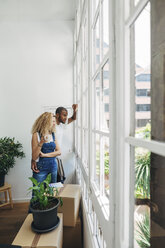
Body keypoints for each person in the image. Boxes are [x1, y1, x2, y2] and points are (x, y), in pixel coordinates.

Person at [31, 112, 61, 183]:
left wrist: (44, 155)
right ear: (46, 122)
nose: (54, 123)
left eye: (54, 121)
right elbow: (34, 157)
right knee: (38, 192)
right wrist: (41, 142)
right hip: (40, 169)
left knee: (52, 192)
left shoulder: (53, 134)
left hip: (53, 167)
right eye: (53, 121)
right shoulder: (36, 135)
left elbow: (59, 152)